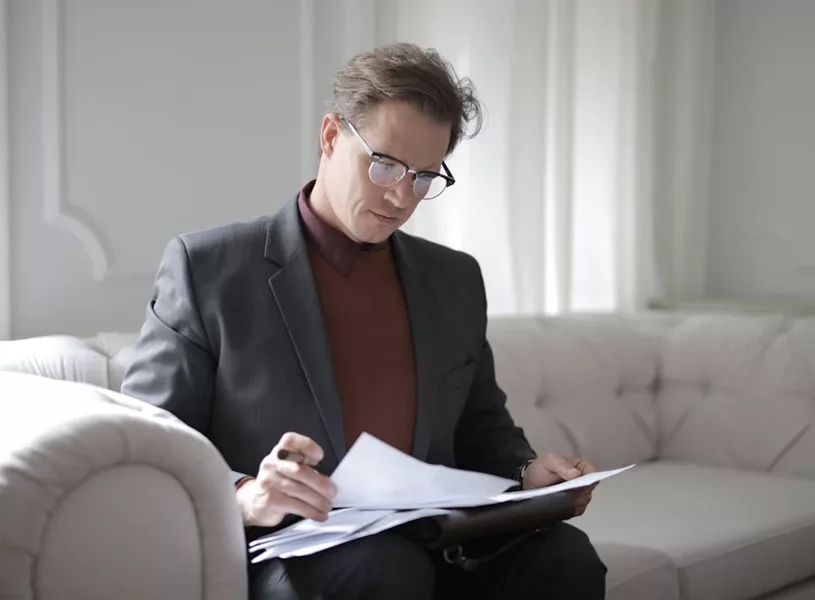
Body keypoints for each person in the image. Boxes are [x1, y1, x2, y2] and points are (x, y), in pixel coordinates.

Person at [121, 42, 607, 600]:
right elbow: (152, 449)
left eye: (425, 177)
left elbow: (480, 429)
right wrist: (249, 494)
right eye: (385, 164)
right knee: (383, 571)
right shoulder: (208, 270)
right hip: (295, 549)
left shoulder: (454, 279)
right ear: (330, 137)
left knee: (565, 557)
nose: (401, 195)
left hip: (435, 537)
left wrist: (528, 479)